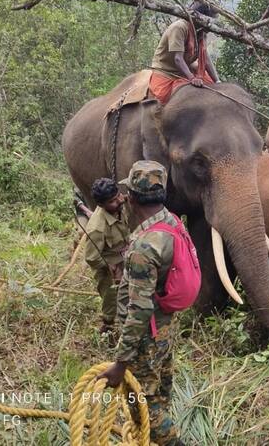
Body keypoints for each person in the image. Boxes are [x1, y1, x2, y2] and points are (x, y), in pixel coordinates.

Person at [98, 160, 185, 446]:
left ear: (132, 198)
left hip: (146, 336)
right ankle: (154, 431)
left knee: (141, 402)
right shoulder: (171, 221)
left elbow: (139, 309)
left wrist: (121, 363)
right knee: (161, 386)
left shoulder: (145, 245)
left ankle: (168, 440)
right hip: (165, 327)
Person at [80, 178, 129, 335]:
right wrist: (111, 267)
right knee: (111, 300)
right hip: (108, 267)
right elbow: (91, 257)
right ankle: (107, 329)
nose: (119, 201)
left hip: (125, 257)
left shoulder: (121, 205)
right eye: (113, 201)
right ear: (101, 205)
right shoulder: (97, 228)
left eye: (118, 196)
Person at [149, 2, 221, 104]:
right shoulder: (179, 28)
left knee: (210, 85)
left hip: (187, 67)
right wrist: (192, 78)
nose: (210, 26)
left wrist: (217, 82)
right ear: (200, 18)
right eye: (209, 21)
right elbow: (178, 58)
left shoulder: (201, 32)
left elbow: (206, 59)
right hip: (166, 71)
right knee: (162, 100)